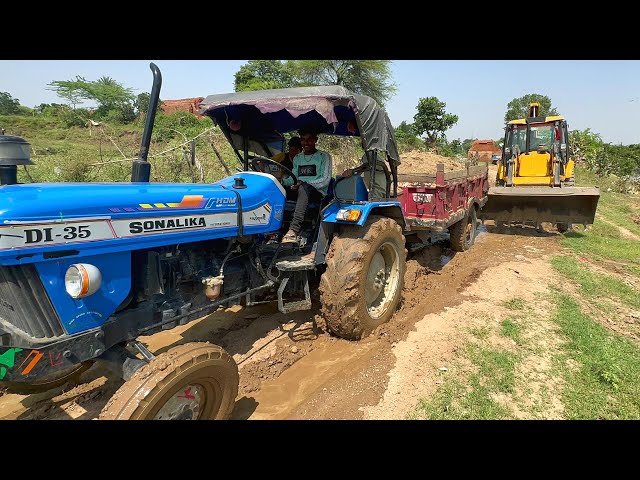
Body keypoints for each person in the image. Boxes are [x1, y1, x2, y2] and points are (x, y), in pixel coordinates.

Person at [281, 128, 332, 244]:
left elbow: (325, 180)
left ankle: (293, 229)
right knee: (277, 189)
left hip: (317, 193)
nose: (306, 143)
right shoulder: (298, 158)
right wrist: (281, 182)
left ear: (315, 140)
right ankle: (272, 230)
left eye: (309, 140)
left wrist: (303, 184)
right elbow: (293, 178)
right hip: (299, 189)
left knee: (304, 187)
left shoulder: (324, 156)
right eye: (303, 140)